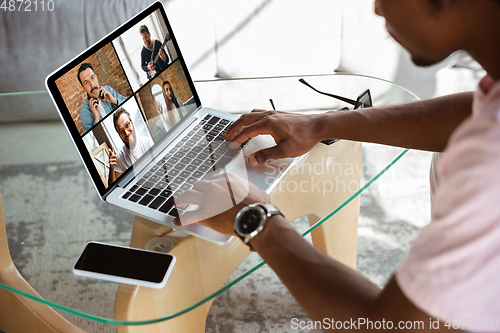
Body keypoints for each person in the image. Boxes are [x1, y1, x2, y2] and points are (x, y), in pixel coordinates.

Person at [174, 0, 500, 331]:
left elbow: (385, 326)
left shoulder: (489, 161)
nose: (376, 9)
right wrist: (320, 125)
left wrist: (256, 220)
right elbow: (474, 111)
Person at [77, 63, 126, 133]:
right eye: (86, 83)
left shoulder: (108, 89)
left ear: (96, 77)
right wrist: (96, 120)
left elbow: (130, 104)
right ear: (83, 87)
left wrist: (114, 100)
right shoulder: (84, 112)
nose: (92, 85)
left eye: (92, 78)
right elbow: (94, 140)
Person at [109, 108, 153, 184]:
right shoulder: (119, 157)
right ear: (119, 134)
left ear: (132, 123)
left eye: (127, 125)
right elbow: (114, 187)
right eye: (121, 131)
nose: (126, 133)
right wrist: (112, 168)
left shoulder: (147, 143)